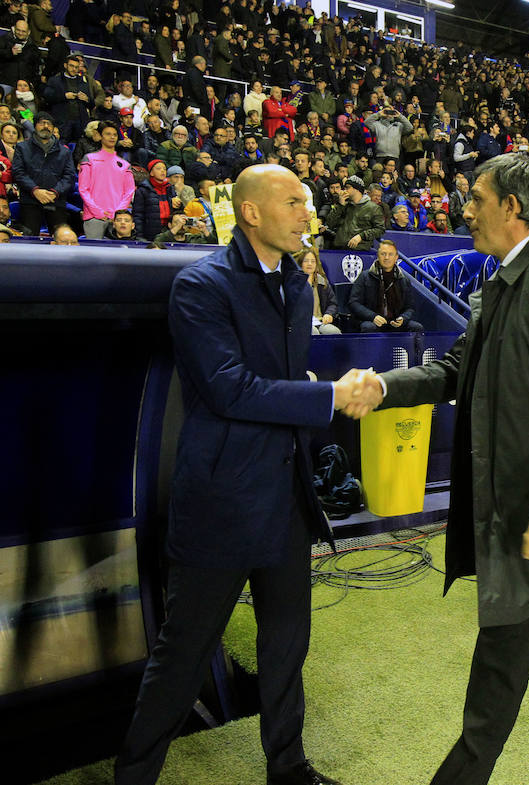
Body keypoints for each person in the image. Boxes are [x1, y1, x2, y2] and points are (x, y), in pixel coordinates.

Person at [348, 153, 529, 784]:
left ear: (511, 207)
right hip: (512, 515)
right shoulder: (498, 283)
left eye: (476, 198)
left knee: (492, 694)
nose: (464, 209)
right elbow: (453, 371)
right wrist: (381, 388)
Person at [114, 165, 363, 785]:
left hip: (286, 498)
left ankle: (290, 767)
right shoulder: (202, 286)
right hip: (222, 501)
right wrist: (324, 396)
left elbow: (275, 384)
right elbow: (229, 389)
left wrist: (308, 393)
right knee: (184, 655)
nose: (308, 212)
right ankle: (134, 776)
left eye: (307, 200)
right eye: (294, 202)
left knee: (286, 645)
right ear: (251, 213)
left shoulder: (299, 287)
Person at [10, 112, 75, 236]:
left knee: (60, 238)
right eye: (42, 123)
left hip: (56, 200)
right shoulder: (22, 147)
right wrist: (35, 190)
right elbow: (18, 172)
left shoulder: (65, 151)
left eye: (49, 124)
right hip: (30, 200)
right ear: (35, 126)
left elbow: (69, 176)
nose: (46, 126)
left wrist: (55, 192)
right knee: (29, 239)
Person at [348, 239, 423, 333]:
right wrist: (372, 317)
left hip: (395, 323)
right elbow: (354, 303)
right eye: (383, 254)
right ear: (378, 256)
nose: (386, 257)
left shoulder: (403, 279)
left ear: (396, 257)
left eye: (390, 254)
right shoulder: (365, 276)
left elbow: (410, 308)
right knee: (368, 327)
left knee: (416, 327)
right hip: (371, 321)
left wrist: (403, 318)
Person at [79, 121, 137, 239]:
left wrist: (117, 214)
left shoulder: (125, 164)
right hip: (94, 217)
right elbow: (83, 189)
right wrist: (97, 212)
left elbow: (129, 191)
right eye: (108, 134)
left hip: (117, 219)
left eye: (115, 134)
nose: (112, 137)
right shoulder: (89, 159)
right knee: (94, 255)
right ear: (100, 136)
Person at [324, 174, 384, 250]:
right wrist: (340, 205)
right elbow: (330, 223)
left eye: (347, 187)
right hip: (339, 249)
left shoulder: (373, 208)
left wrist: (361, 236)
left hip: (360, 251)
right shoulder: (343, 205)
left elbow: (380, 229)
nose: (344, 190)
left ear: (357, 189)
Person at [296, 247, 341, 335]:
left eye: (313, 261)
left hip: (320, 321)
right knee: (314, 332)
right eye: (306, 261)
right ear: (300, 263)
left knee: (334, 332)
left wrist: (329, 314)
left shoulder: (322, 281)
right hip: (301, 323)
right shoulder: (294, 283)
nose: (310, 264)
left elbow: (332, 303)